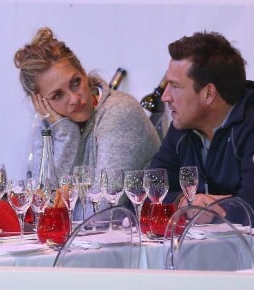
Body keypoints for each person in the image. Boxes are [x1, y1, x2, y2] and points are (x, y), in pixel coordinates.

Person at [149, 31, 254, 226]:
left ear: (208, 93)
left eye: (175, 86)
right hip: (207, 249)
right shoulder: (183, 125)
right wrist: (184, 202)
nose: (165, 96)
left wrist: (204, 209)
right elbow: (150, 190)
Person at [14, 27, 161, 220]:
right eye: (58, 95)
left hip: (136, 242)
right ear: (41, 102)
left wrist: (59, 214)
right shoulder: (50, 127)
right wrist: (66, 134)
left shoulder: (120, 111)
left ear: (84, 72)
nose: (74, 98)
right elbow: (38, 210)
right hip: (82, 246)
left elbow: (103, 210)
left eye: (75, 82)